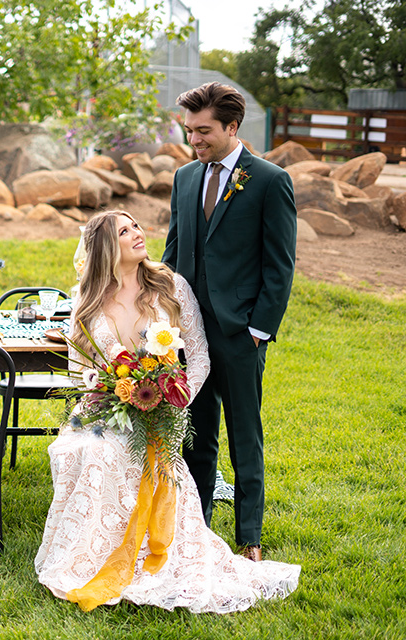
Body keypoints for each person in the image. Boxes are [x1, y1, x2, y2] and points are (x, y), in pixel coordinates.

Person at [35, 211, 299, 613]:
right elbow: (78, 367)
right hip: (105, 411)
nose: (138, 234)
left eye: (136, 226)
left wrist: (175, 398)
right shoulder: (86, 300)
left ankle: (146, 556)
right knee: (90, 451)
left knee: (121, 455)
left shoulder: (170, 286)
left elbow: (198, 356)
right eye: (125, 232)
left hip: (160, 411)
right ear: (107, 248)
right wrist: (100, 390)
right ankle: (94, 554)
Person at [162, 82, 297, 562]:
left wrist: (259, 331)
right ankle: (196, 531)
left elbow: (279, 264)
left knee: (245, 434)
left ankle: (249, 537)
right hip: (188, 333)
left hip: (242, 332)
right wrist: (163, 316)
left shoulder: (268, 180)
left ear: (232, 127)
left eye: (203, 132)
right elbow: (174, 253)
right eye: (189, 131)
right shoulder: (184, 177)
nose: (194, 141)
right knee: (196, 433)